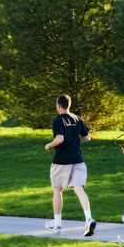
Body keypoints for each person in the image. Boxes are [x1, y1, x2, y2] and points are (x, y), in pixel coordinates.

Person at [44, 94, 95, 236]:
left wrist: (49, 145)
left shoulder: (58, 120)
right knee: (78, 189)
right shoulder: (77, 119)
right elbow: (87, 137)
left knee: (57, 190)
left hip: (62, 160)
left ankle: (57, 223)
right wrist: (74, 140)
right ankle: (88, 218)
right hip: (78, 159)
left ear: (58, 105)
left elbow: (59, 139)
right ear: (69, 105)